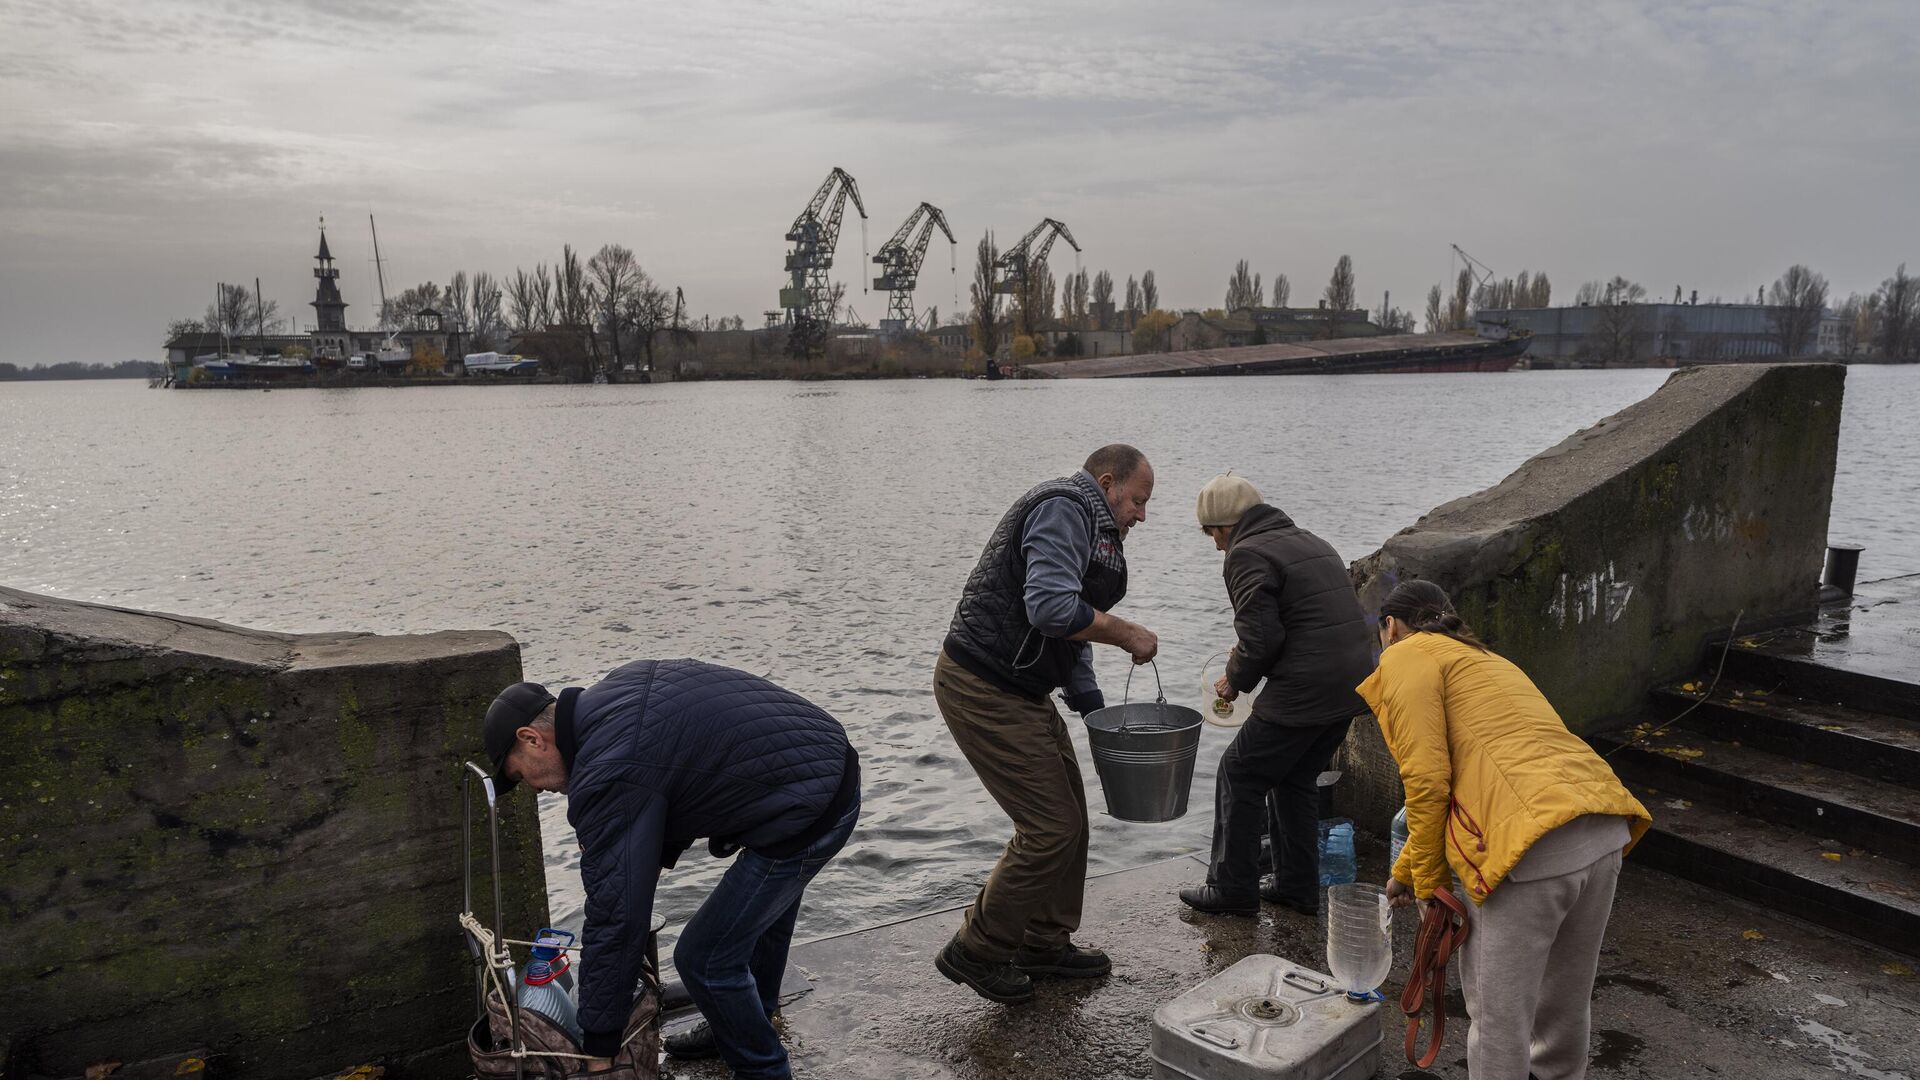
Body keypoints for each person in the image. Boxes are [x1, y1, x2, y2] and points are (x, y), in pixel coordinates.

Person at [484, 660, 861, 1080]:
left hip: (811, 805)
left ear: (532, 739)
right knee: (758, 922)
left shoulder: (606, 771)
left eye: (523, 776)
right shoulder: (616, 693)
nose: (537, 789)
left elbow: (615, 915)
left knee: (705, 957)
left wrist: (599, 1045)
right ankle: (741, 1022)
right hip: (821, 762)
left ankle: (763, 1070)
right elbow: (680, 768)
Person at [1360, 580, 1651, 1080]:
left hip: (1526, 852)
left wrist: (1430, 885)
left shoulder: (1405, 657)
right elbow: (1489, 770)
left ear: (1390, 626)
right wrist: (1407, 871)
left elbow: (1429, 782)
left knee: (1500, 1021)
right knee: (1563, 1007)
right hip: (1601, 826)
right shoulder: (1487, 659)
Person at [932, 444, 1160, 1004]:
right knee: (1049, 826)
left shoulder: (1097, 525)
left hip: (1025, 687)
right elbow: (1053, 609)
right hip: (981, 684)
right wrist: (1127, 631)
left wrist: (1092, 706)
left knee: (1073, 819)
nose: (1142, 514)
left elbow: (1072, 628)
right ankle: (977, 949)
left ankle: (1042, 942)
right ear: (1108, 483)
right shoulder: (1064, 507)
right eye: (1137, 500)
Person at [1177, 473, 1375, 916]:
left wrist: (1234, 679)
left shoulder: (1246, 554)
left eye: (1212, 533)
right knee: (1294, 778)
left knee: (1239, 773)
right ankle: (1295, 886)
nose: (1215, 545)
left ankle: (1232, 889)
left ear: (1227, 526)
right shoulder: (1313, 541)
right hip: (1352, 686)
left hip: (1307, 689)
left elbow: (1262, 641)